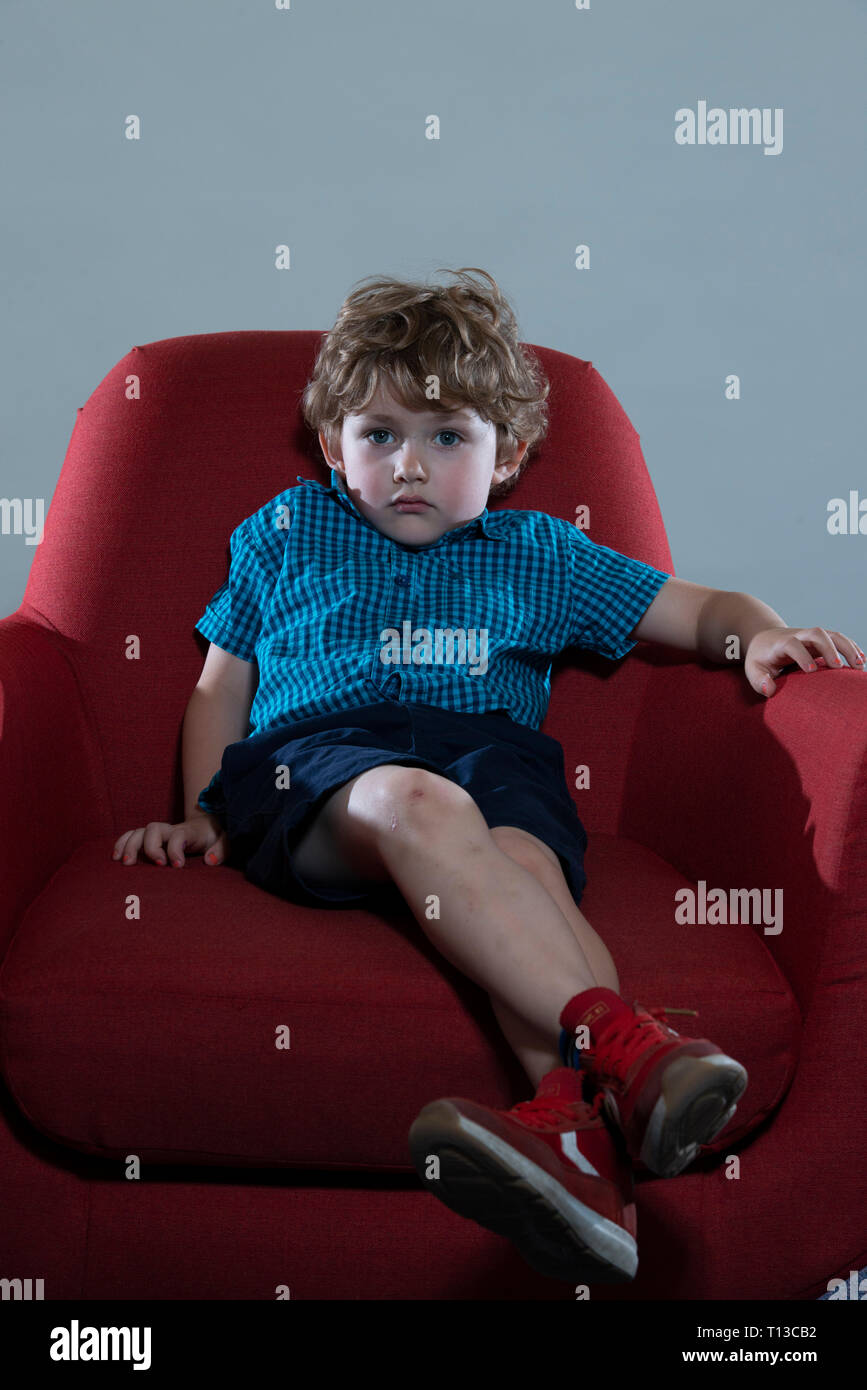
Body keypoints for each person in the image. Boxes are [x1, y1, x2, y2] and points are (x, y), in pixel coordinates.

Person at [111, 267, 865, 1286]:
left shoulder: (541, 554)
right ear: (335, 449)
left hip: (492, 759)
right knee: (416, 800)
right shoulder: (286, 531)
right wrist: (202, 812)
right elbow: (220, 684)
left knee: (525, 864)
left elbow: (703, 608)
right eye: (379, 435)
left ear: (506, 457)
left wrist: (760, 641)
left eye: (447, 437)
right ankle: (627, 1044)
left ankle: (573, 1137)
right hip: (319, 765)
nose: (409, 465)